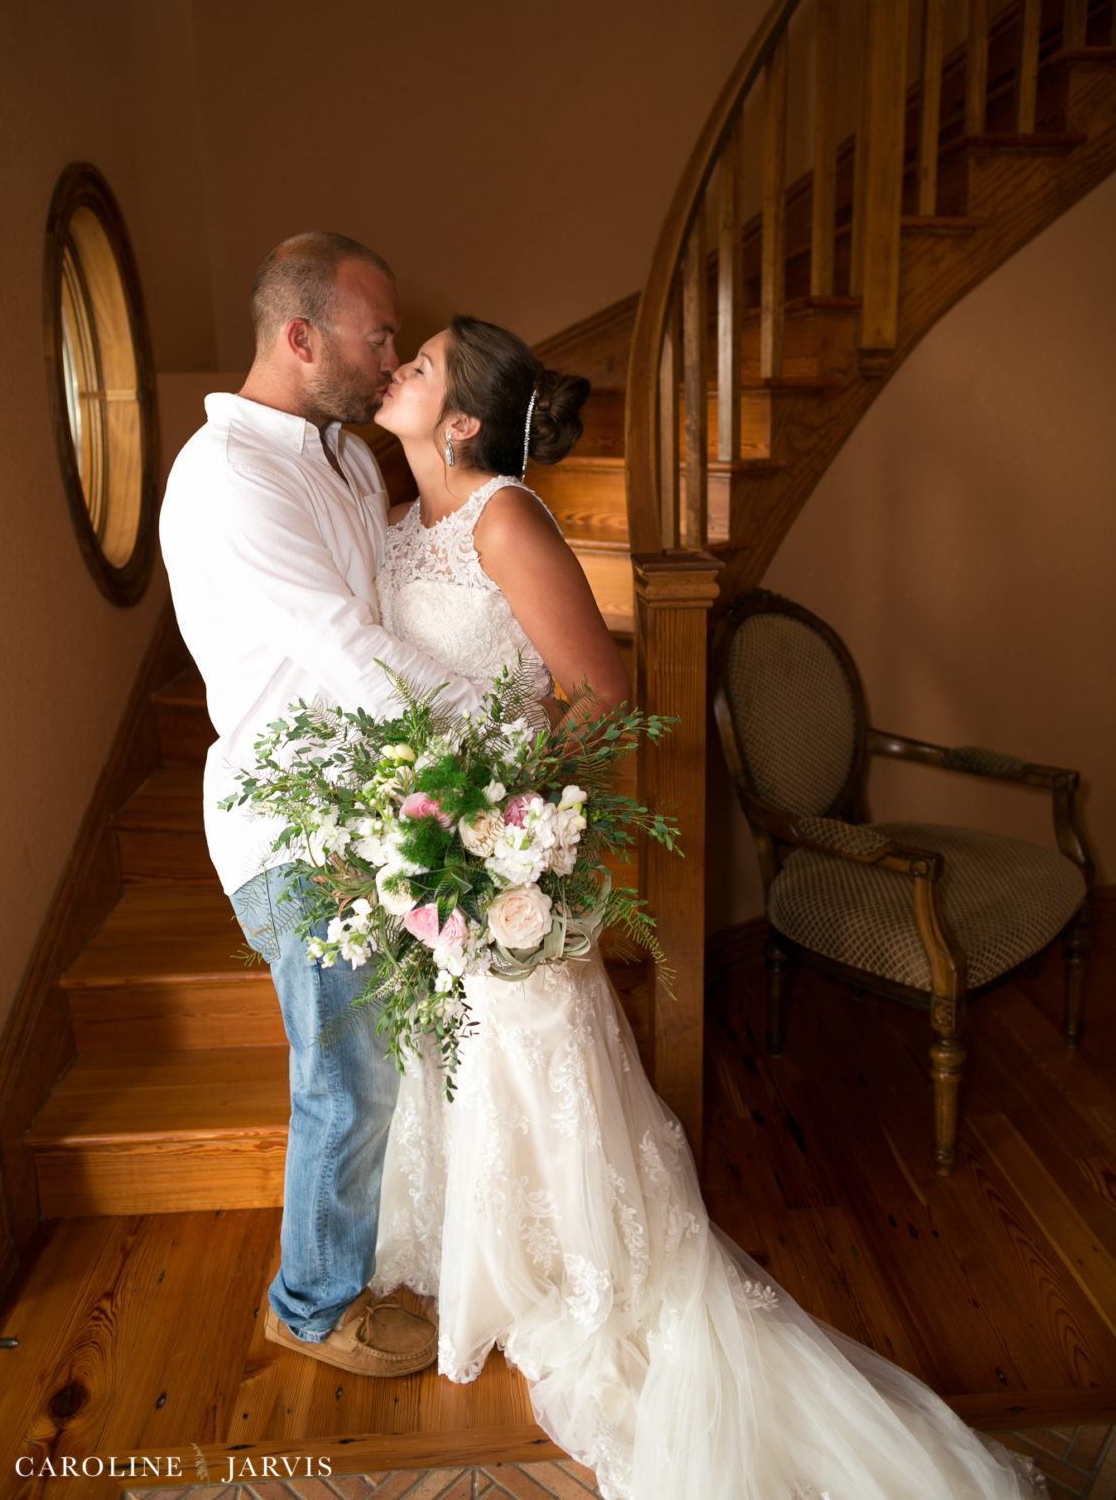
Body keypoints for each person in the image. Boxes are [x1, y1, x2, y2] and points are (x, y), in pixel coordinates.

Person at [364, 313, 1045, 1499]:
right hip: (426, 847)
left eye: (415, 366)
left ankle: (588, 1279)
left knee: (540, 1062)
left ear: (461, 419)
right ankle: (502, 1263)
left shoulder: (505, 518)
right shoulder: (393, 522)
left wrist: (495, 818)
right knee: (473, 1063)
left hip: (494, 850)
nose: (395, 372)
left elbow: (597, 690)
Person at [159, 233, 485, 1379]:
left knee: (384, 1065)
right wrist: (494, 726)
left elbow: (394, 603)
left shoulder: (341, 456)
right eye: (377, 334)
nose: (390, 354)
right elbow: (347, 650)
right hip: (285, 826)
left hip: (371, 808)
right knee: (342, 1079)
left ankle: (357, 1262)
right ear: (301, 339)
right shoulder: (229, 475)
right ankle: (306, 1309)